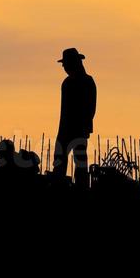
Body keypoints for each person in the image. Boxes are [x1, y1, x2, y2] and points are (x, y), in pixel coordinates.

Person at [51, 48, 96, 186]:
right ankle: (69, 187)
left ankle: (74, 188)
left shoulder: (78, 83)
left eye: (65, 64)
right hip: (72, 129)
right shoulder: (69, 83)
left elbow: (90, 109)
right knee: (72, 159)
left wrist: (82, 127)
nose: (64, 67)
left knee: (75, 160)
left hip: (74, 129)